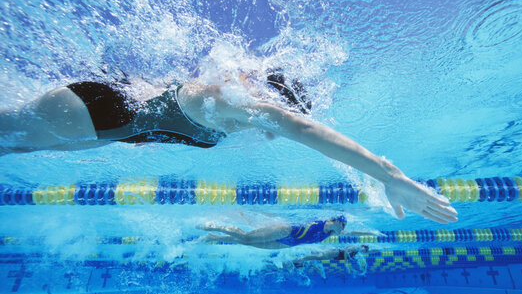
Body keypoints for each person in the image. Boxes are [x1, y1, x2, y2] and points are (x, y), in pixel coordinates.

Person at [0, 70, 457, 223]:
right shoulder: (237, 102)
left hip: (101, 122)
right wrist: (390, 176)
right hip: (98, 111)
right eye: (281, 116)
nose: (273, 132)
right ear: (279, 102)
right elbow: (306, 131)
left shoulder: (233, 113)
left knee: (13, 147)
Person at [197, 216, 384, 249]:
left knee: (247, 243)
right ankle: (213, 226)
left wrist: (374, 234)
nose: (343, 229)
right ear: (335, 221)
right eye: (342, 225)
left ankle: (214, 238)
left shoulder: (332, 233)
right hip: (285, 230)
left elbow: (354, 233)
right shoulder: (321, 221)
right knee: (247, 236)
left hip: (289, 243)